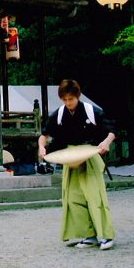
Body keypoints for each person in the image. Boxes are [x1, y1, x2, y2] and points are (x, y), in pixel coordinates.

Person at [38, 79, 116, 250]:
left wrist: (106, 142)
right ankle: (89, 235)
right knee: (73, 198)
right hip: (70, 157)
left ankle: (106, 235)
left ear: (77, 96)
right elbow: (45, 134)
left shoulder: (91, 110)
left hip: (90, 153)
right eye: (64, 100)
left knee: (95, 197)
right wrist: (41, 147)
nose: (68, 103)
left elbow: (111, 130)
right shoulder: (58, 114)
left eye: (71, 99)